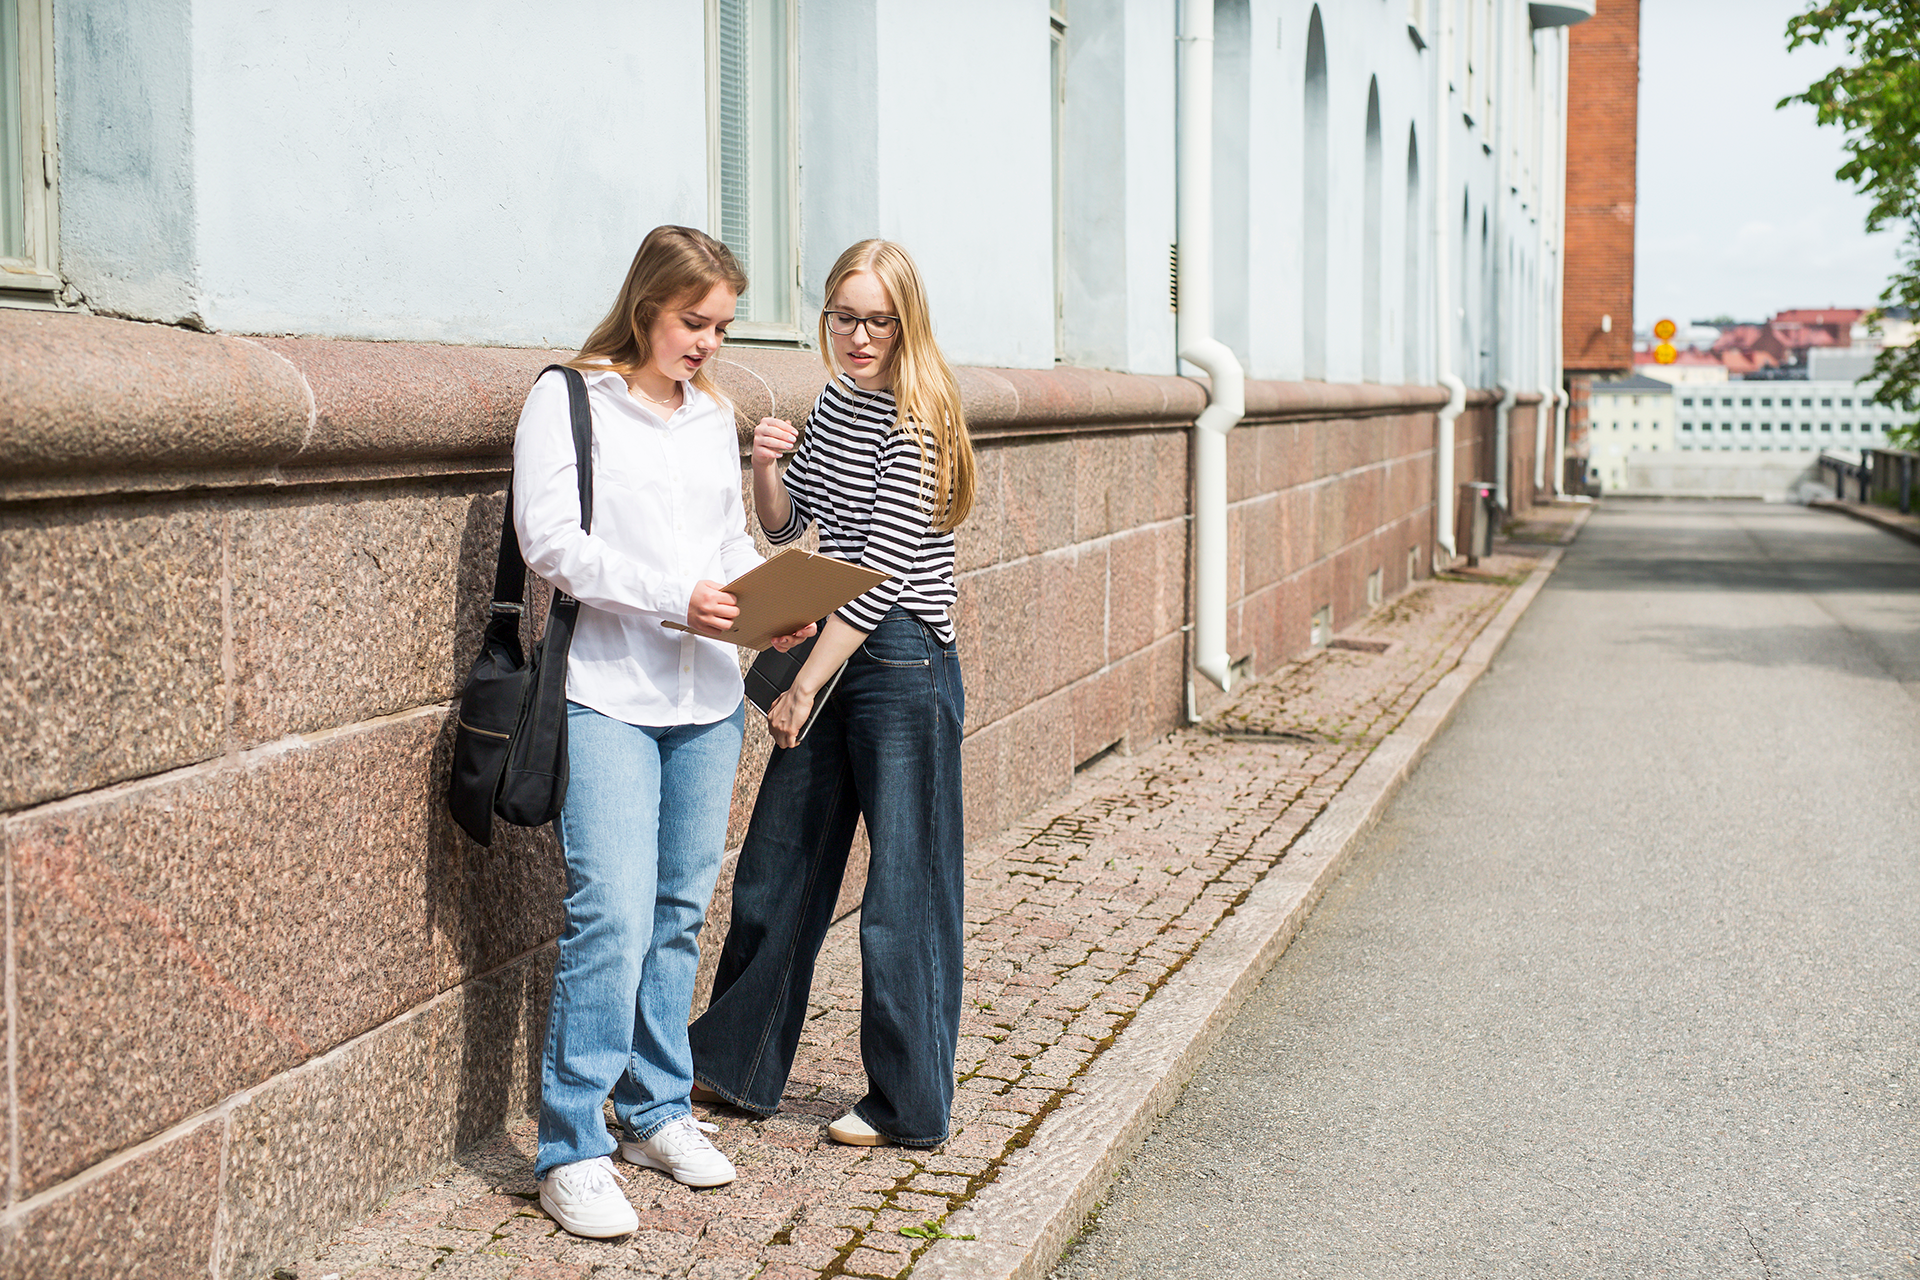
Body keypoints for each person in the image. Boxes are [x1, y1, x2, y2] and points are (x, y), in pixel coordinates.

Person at [513, 225, 813, 1238]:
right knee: (614, 909)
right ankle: (572, 1144)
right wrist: (673, 599)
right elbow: (550, 541)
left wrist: (768, 597)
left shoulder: (711, 413)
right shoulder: (569, 400)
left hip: (705, 698)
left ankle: (652, 1109)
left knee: (682, 907)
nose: (709, 343)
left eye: (723, 326)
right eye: (696, 322)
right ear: (648, 305)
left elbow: (728, 536)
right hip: (607, 690)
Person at [688, 239, 976, 1149]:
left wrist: (803, 687)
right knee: (779, 864)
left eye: (876, 319)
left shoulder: (921, 419)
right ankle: (732, 1064)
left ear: (906, 322)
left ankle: (909, 1105)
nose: (857, 335)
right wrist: (768, 465)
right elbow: (791, 527)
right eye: (843, 316)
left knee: (905, 888)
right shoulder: (837, 403)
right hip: (834, 639)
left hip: (899, 661)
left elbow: (884, 573)